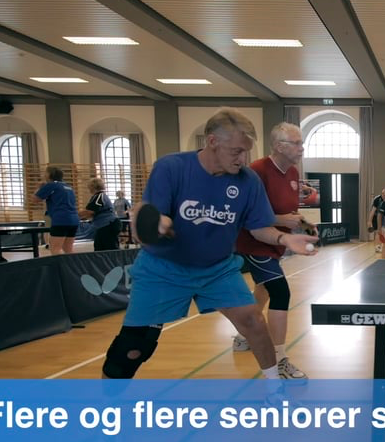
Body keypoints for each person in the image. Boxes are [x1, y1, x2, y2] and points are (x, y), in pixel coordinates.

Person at [100, 109, 318, 380]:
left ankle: (274, 390)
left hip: (218, 269)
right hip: (163, 269)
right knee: (133, 347)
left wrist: (285, 238)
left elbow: (258, 227)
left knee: (253, 321)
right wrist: (157, 224)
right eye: (236, 151)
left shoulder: (248, 180)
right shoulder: (172, 168)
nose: (243, 159)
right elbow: (150, 217)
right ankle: (108, 401)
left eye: (246, 151)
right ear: (213, 141)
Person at [232, 122, 316, 380]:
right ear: (279, 146)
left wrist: (301, 221)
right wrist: (281, 220)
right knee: (280, 291)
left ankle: (242, 336)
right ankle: (279, 360)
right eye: (297, 143)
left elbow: (286, 209)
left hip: (276, 243)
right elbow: (245, 213)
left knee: (264, 288)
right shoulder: (257, 171)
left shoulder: (292, 172)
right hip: (254, 242)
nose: (302, 148)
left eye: (302, 143)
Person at [32, 167, 79, 255]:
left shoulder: (51, 185)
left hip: (61, 219)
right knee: (68, 248)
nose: (44, 175)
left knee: (55, 248)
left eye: (45, 173)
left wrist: (39, 187)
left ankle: (59, 264)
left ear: (49, 175)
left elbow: (35, 199)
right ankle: (73, 264)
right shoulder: (68, 187)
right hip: (74, 219)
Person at [79, 178, 121, 251]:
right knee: (99, 247)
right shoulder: (96, 197)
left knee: (109, 248)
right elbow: (91, 213)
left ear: (93, 186)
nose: (88, 189)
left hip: (108, 224)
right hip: (102, 225)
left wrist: (74, 215)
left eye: (89, 186)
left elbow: (91, 211)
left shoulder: (100, 196)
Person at [368, 188, 385, 253]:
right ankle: (377, 247)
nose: (384, 196)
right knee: (378, 231)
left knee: (384, 231)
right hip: (376, 216)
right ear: (381, 194)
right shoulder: (377, 199)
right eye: (383, 194)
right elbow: (372, 211)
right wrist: (369, 221)